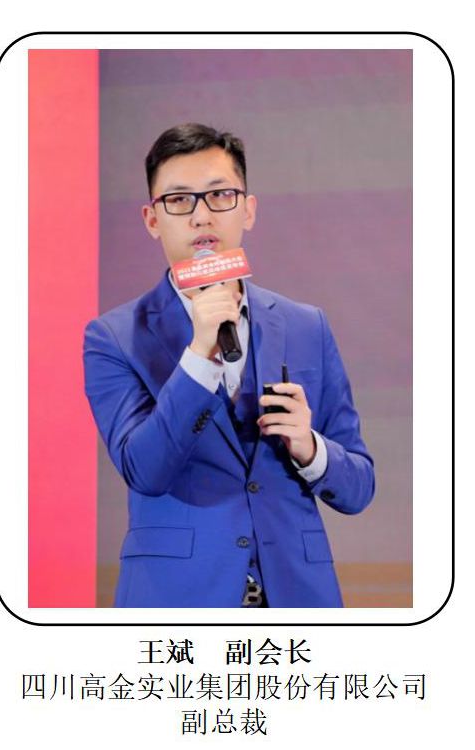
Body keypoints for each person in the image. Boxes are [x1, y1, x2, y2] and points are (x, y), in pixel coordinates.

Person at [83, 123, 375, 608]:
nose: (202, 215)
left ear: (248, 209)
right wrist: (199, 355)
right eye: (179, 200)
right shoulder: (114, 337)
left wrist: (309, 448)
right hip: (177, 603)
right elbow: (145, 470)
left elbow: (359, 487)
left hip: (298, 601)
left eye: (220, 195)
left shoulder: (307, 326)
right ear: (152, 219)